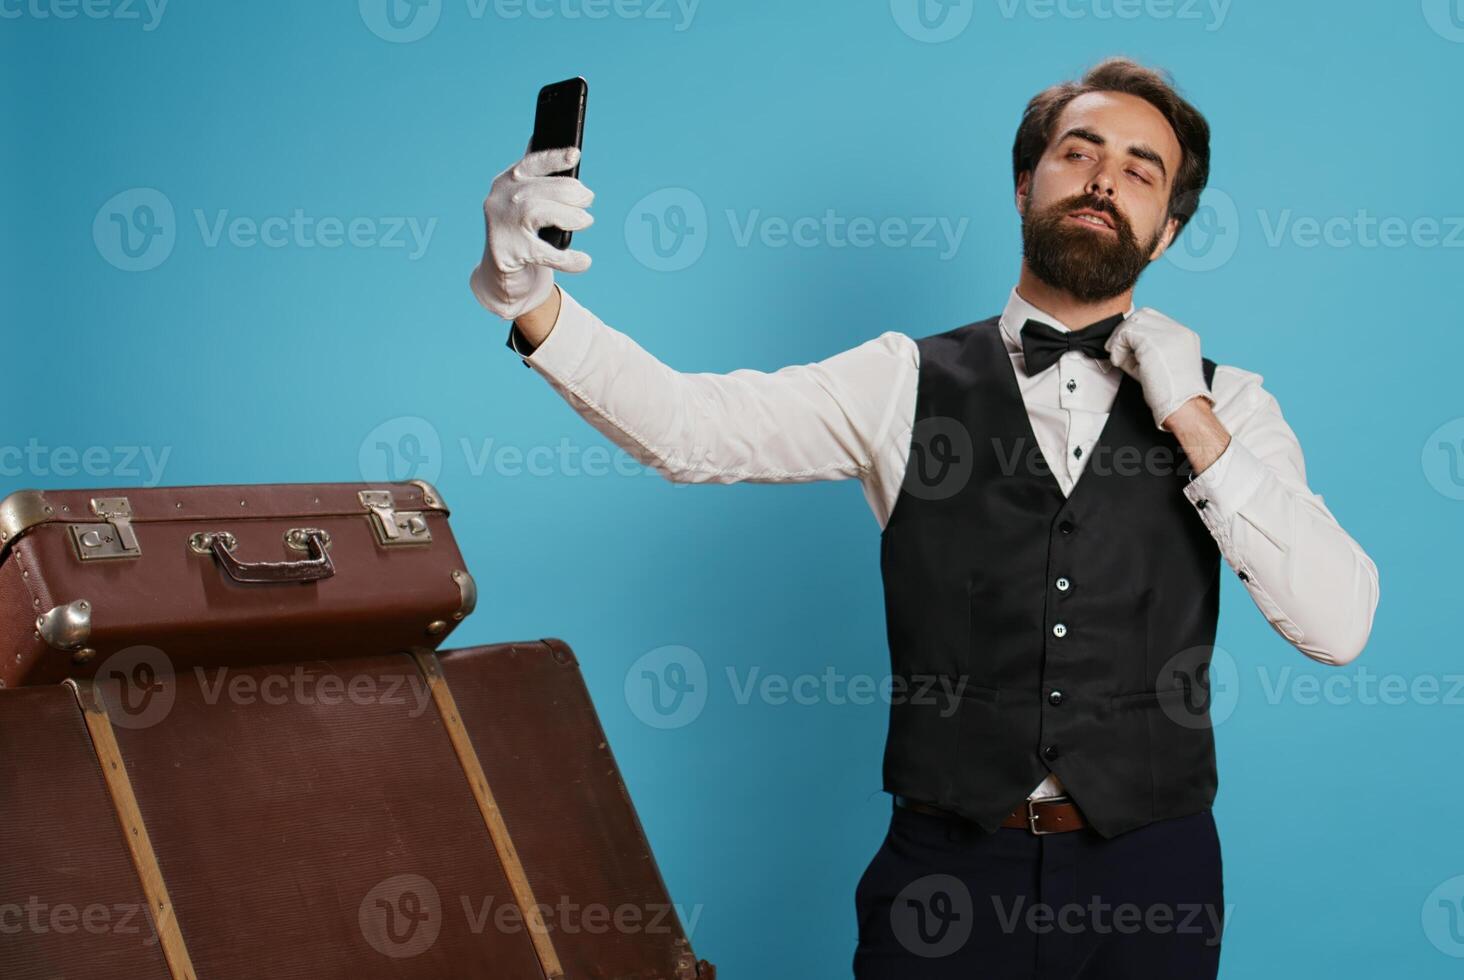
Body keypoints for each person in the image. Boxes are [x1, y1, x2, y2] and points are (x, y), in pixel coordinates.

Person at [469, 56, 1379, 979]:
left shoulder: (1234, 408)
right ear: (1026, 183)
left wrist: (1190, 415)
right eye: (1080, 151)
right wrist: (530, 300)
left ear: (1168, 232)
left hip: (1154, 877)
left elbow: (1338, 626)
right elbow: (691, 429)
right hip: (946, 875)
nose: (1106, 177)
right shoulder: (901, 380)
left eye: (1142, 170)